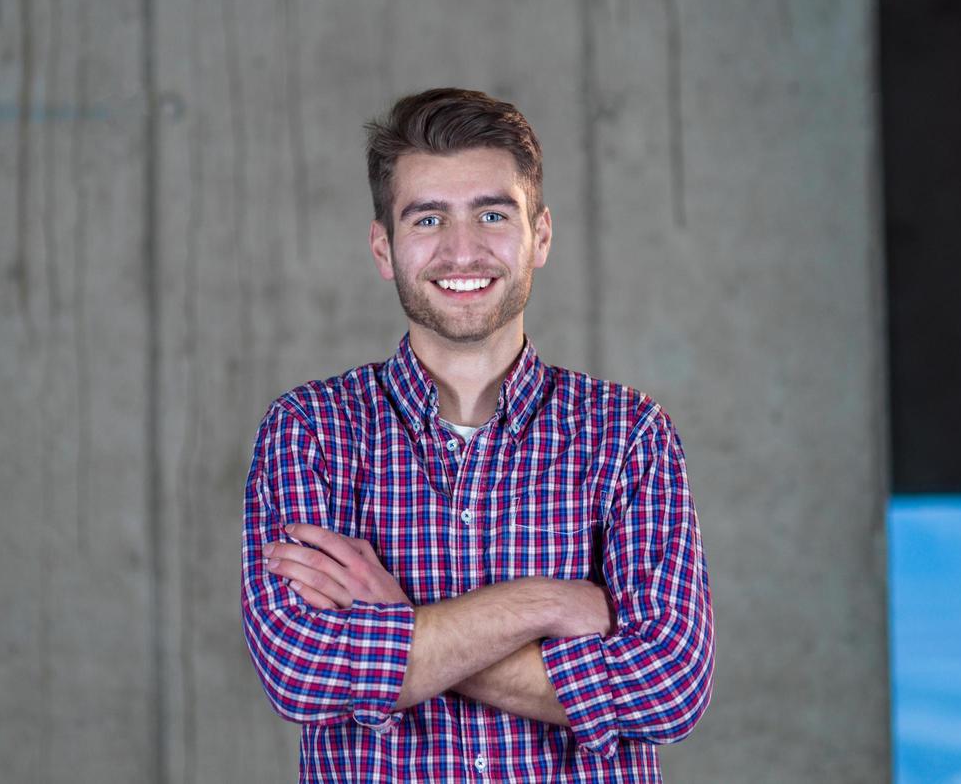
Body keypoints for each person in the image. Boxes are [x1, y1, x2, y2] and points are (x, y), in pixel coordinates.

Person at [240, 88, 714, 782]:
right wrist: (546, 603)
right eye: (427, 218)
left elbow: (667, 690)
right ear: (383, 247)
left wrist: (399, 624)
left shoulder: (625, 433)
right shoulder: (311, 431)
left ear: (539, 236)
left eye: (492, 214)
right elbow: (304, 671)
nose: (462, 251)